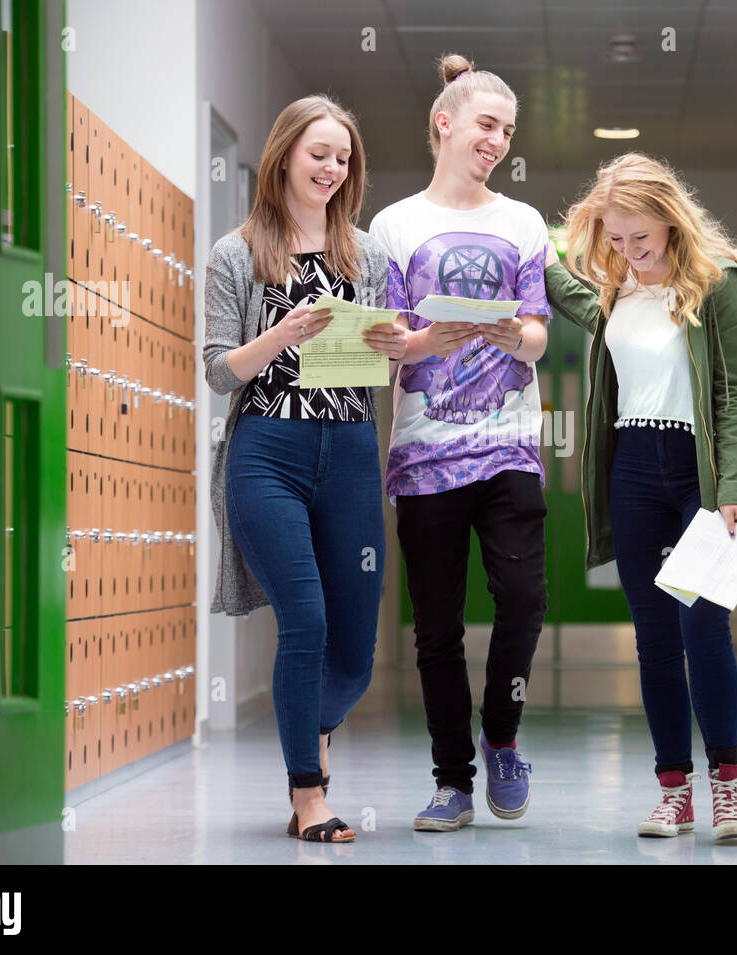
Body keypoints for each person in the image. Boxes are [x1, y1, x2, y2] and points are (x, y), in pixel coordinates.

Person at [542, 152, 737, 840]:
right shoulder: (615, 294)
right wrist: (523, 233)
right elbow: (568, 289)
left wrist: (734, 486)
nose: (629, 253)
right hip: (635, 469)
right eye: (615, 240)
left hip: (700, 475)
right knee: (653, 638)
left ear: (672, 223)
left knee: (703, 625)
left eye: (640, 239)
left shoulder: (719, 284)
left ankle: (727, 789)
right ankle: (673, 792)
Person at [203, 95, 406, 843]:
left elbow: (377, 356)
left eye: (344, 158)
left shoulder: (367, 255)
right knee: (308, 623)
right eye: (319, 153)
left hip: (350, 449)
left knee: (354, 653)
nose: (331, 168)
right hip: (267, 454)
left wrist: (399, 344)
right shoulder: (237, 253)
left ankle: (311, 730)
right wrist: (281, 333)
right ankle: (309, 795)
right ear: (284, 154)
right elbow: (217, 372)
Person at [368, 54, 551, 832]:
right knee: (436, 626)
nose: (498, 141)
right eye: (487, 124)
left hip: (509, 443)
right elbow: (380, 343)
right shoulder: (393, 226)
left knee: (523, 600)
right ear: (444, 123)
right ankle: (453, 781)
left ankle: (502, 735)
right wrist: (425, 340)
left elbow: (540, 333)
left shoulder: (525, 223)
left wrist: (518, 335)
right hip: (425, 452)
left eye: (507, 131)